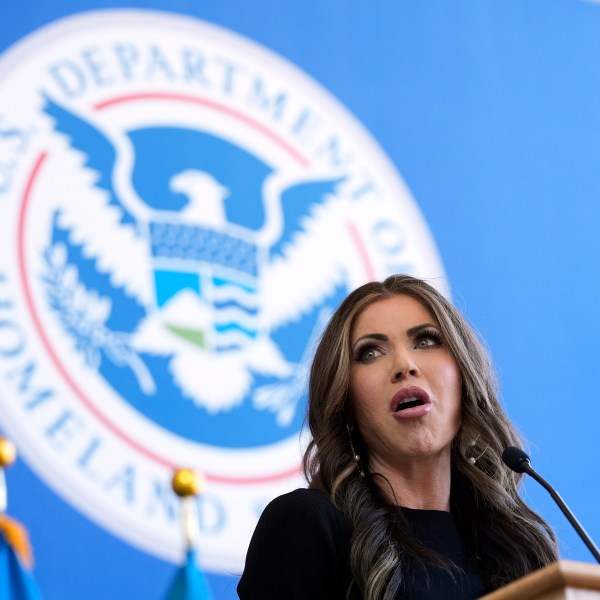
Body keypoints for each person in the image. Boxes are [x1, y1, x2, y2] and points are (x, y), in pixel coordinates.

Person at [237, 274, 558, 599]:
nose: (404, 365)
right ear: (345, 402)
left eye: (426, 341)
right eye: (371, 353)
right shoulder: (306, 525)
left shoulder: (520, 547)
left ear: (464, 378)